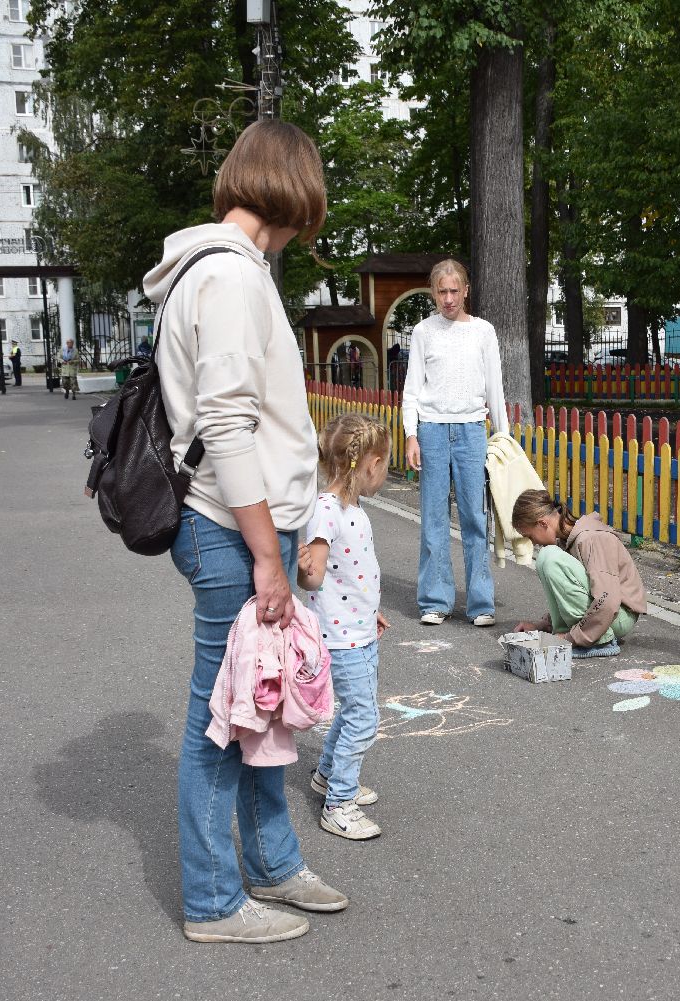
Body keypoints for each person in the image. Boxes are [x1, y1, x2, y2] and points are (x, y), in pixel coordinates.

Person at [147, 118, 348, 944]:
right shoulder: (230, 278)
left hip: (245, 527)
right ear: (291, 192)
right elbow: (228, 428)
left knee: (264, 710)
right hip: (233, 532)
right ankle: (213, 901)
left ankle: (270, 862)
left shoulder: (220, 268)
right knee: (223, 722)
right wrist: (269, 552)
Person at [297, 413, 391, 841]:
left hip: (359, 629)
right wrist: (304, 569)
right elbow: (314, 575)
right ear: (369, 463)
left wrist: (368, 609)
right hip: (341, 639)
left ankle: (327, 775)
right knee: (363, 718)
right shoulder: (326, 512)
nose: (385, 474)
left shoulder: (351, 507)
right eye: (385, 465)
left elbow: (349, 572)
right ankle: (339, 804)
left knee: (357, 709)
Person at [402, 258, 508, 627]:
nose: (448, 298)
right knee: (433, 518)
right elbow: (412, 388)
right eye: (441, 291)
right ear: (433, 292)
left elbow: (495, 386)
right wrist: (410, 433)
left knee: (475, 518)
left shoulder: (483, 332)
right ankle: (435, 599)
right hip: (431, 430)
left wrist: (503, 437)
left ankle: (481, 603)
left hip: (471, 430)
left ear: (466, 290)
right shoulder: (423, 332)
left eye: (454, 290)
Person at [510, 489, 647, 658]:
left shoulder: (591, 539)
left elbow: (608, 600)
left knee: (548, 557)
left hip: (618, 616)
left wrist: (570, 639)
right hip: (607, 614)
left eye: (530, 536)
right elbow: (574, 592)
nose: (534, 543)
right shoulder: (566, 540)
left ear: (542, 523)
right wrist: (542, 625)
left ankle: (596, 640)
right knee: (546, 558)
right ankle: (572, 633)